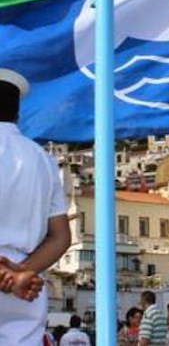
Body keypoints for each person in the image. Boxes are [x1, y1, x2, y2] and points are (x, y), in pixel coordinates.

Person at [0, 68, 71, 344]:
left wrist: (8, 276)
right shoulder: (43, 159)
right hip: (28, 284)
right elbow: (61, 236)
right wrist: (22, 271)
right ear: (17, 114)